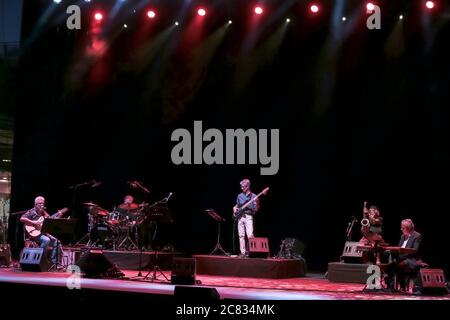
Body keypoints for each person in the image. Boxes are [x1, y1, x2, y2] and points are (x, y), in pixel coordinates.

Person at [20, 196, 61, 265]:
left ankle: (53, 262)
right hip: (33, 233)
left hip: (42, 232)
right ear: (35, 204)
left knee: (56, 242)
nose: (42, 205)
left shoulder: (44, 213)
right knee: (46, 240)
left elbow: (50, 220)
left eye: (43, 203)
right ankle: (40, 259)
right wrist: (34, 222)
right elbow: (22, 218)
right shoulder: (31, 212)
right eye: (40, 203)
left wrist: (58, 216)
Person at [384, 218, 422, 292]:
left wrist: (402, 250)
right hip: (401, 258)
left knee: (400, 265)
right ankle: (391, 286)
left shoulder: (417, 236)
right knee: (389, 267)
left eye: (403, 228)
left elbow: (415, 250)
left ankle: (402, 287)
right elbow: (399, 247)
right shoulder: (403, 236)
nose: (401, 229)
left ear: (408, 228)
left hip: (411, 259)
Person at [233, 179, 259, 257]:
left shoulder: (254, 196)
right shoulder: (239, 196)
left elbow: (256, 209)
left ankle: (251, 252)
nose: (241, 188)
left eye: (243, 187)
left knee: (250, 235)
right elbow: (236, 206)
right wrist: (234, 208)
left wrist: (257, 202)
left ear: (247, 186)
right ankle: (243, 253)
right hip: (240, 217)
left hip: (248, 216)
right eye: (241, 187)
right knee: (241, 235)